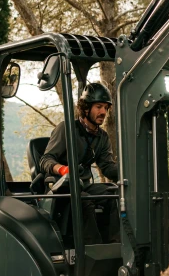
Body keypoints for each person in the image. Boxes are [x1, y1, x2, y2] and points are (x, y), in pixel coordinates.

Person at [40, 81, 119, 244]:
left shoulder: (102, 137)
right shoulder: (66, 129)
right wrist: (63, 170)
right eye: (99, 106)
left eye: (106, 107)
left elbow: (108, 168)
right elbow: (45, 160)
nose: (103, 112)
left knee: (115, 193)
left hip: (84, 185)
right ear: (85, 108)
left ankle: (115, 245)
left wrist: (128, 168)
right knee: (84, 200)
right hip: (60, 187)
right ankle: (93, 249)